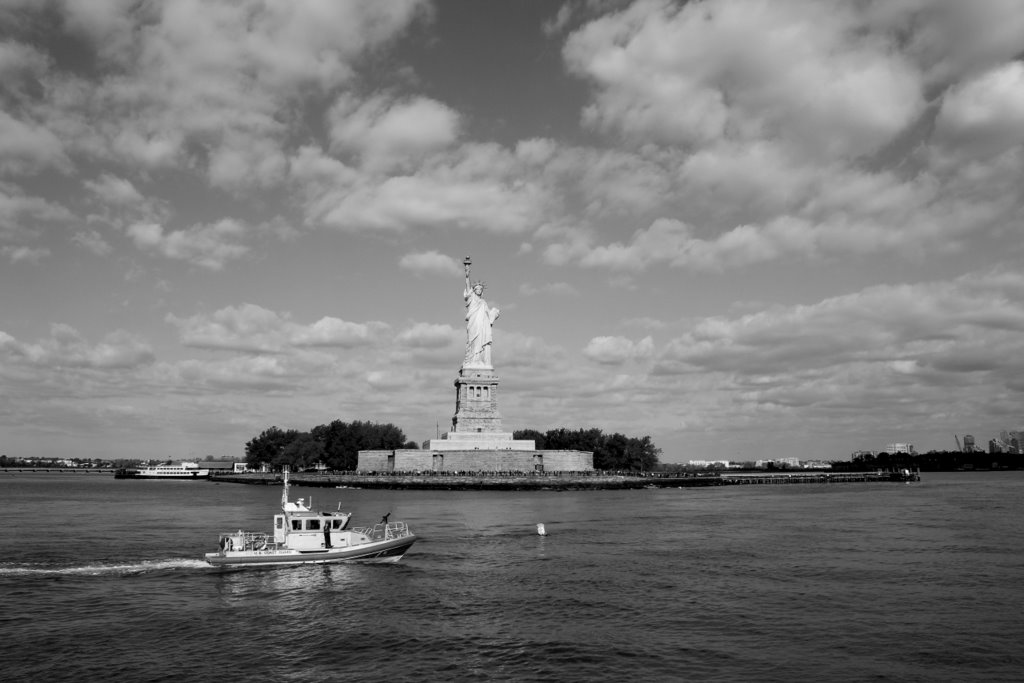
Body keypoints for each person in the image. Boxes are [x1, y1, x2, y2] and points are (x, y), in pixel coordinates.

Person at [463, 265, 499, 367]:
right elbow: (467, 287)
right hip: (473, 323)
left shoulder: (483, 302)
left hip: (482, 325)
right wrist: (467, 276)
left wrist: (494, 314)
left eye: (480, 289)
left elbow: (488, 315)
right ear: (474, 291)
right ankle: (472, 361)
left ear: (482, 291)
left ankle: (478, 361)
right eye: (477, 289)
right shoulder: (472, 298)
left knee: (480, 341)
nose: (478, 290)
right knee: (473, 341)